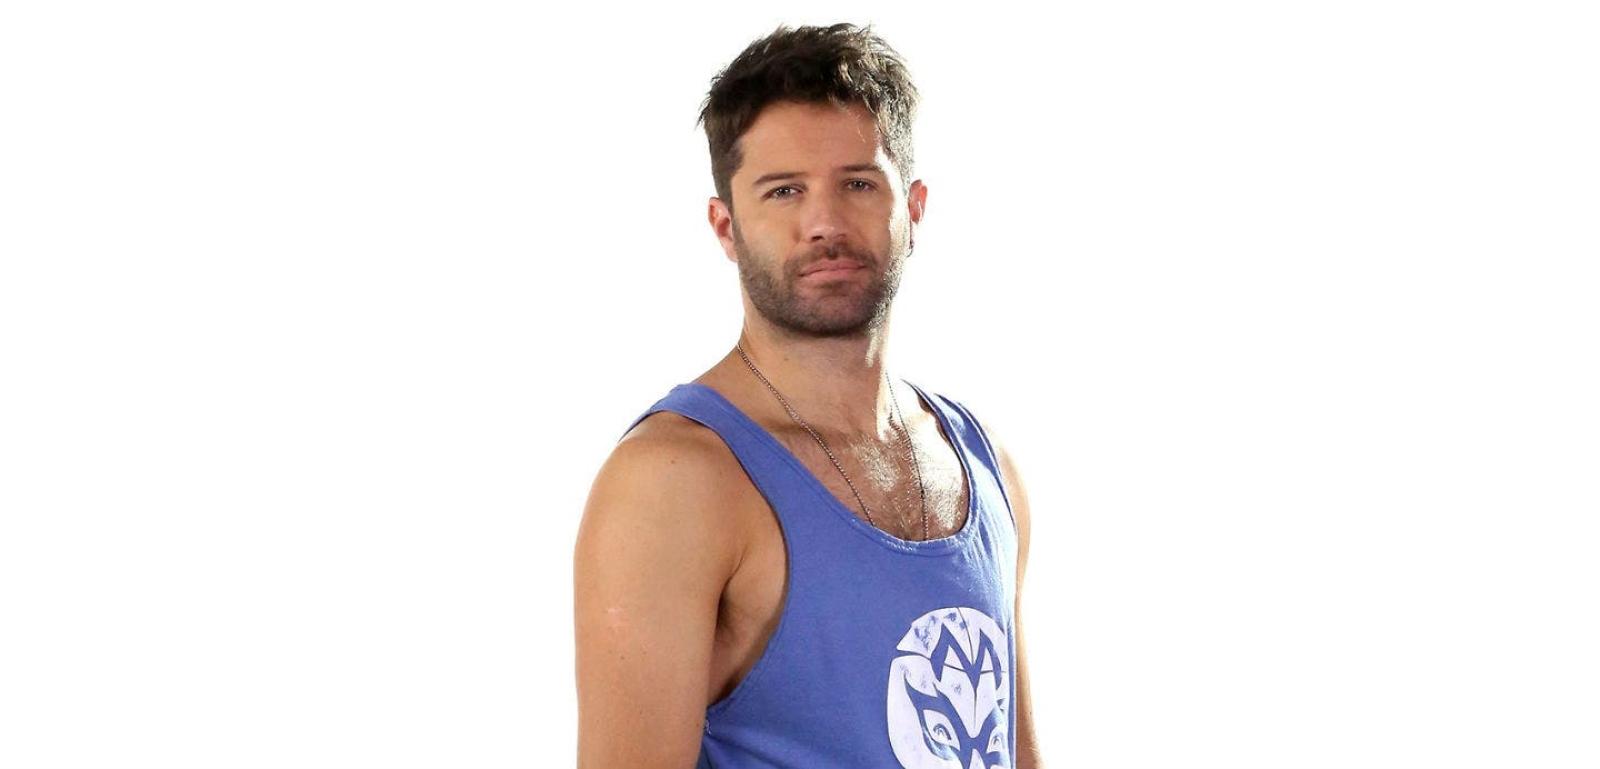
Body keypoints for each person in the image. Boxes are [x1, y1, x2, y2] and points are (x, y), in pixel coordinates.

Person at [574, 23, 1042, 768]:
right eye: (784, 191)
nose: (824, 223)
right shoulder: (675, 483)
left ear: (914, 208)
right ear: (726, 227)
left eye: (858, 183)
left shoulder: (987, 470)